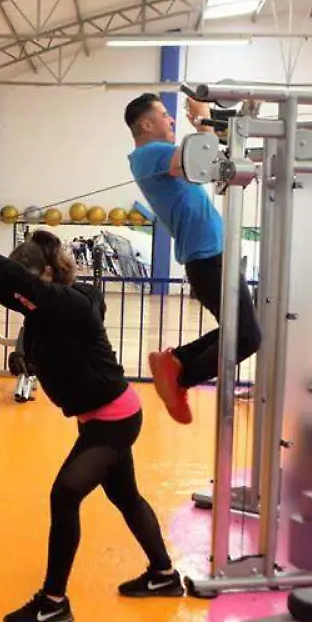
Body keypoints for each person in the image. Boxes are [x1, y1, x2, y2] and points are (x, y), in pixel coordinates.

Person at [0, 225, 182, 622]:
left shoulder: (75, 303)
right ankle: (164, 575)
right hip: (99, 419)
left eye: (30, 282)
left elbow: (16, 282)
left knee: (65, 495)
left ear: (49, 274)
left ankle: (53, 602)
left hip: (115, 419)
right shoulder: (38, 305)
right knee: (125, 496)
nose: (22, 293)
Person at [124, 93, 262, 424]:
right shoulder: (150, 154)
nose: (171, 119)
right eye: (164, 114)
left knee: (241, 332)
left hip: (211, 256)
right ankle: (178, 376)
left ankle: (175, 363)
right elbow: (206, 160)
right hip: (207, 258)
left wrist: (211, 127)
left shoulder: (157, 156)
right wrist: (203, 120)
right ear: (146, 124)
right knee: (246, 336)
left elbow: (207, 161)